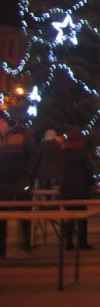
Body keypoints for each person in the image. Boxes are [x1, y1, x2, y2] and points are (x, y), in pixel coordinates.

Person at [0, 111, 37, 259]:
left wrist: (28, 175)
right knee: (1, 218)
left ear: (3, 120)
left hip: (21, 181)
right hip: (2, 184)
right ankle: (1, 250)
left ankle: (26, 246)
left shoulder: (23, 134)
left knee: (25, 215)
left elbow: (33, 155)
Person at [59, 129, 95, 250]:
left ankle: (68, 241)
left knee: (69, 216)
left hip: (66, 188)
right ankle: (82, 241)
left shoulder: (62, 152)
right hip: (80, 188)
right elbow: (88, 169)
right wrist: (91, 183)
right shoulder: (81, 152)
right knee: (82, 216)